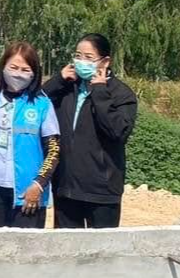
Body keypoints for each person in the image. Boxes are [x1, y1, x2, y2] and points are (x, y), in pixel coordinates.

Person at [42, 33, 138, 229]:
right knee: (67, 251)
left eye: (88, 57)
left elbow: (118, 131)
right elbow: (37, 103)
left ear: (105, 61)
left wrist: (100, 91)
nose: (81, 61)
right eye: (78, 56)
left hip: (101, 191)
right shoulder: (68, 88)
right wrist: (58, 81)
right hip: (66, 187)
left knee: (101, 254)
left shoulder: (121, 94)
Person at [0, 42, 60, 229]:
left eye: (25, 69)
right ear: (3, 67)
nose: (18, 73)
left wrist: (38, 184)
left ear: (34, 73)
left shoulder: (42, 104)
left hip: (28, 194)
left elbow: (54, 150)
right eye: (13, 67)